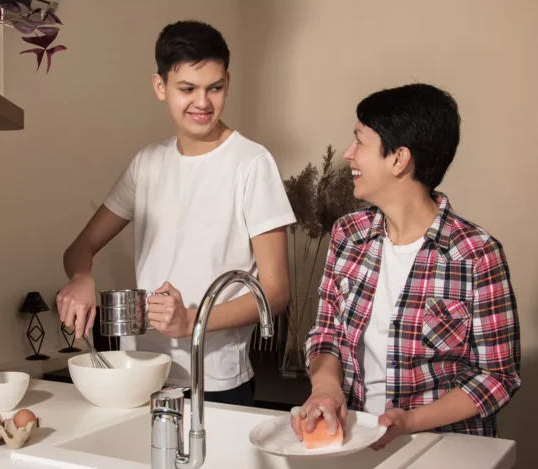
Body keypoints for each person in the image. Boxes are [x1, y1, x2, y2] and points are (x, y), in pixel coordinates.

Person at [56, 20, 295, 406]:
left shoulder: (251, 163)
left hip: (216, 381)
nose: (202, 103)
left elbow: (276, 292)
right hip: (143, 374)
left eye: (214, 88)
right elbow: (79, 247)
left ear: (227, 83)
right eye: (187, 89)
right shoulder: (147, 163)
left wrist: (191, 320)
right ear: (160, 86)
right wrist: (82, 276)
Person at [291, 83, 521, 447]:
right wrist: (325, 390)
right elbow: (326, 335)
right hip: (355, 439)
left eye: (360, 141)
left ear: (399, 159)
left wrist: (411, 421)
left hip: (445, 449)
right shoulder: (347, 235)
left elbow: (496, 377)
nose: (349, 154)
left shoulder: (476, 254)